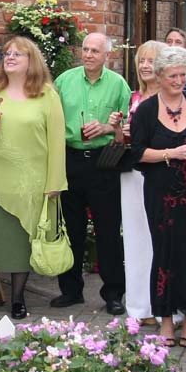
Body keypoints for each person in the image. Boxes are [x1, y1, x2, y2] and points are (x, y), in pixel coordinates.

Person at [129, 45, 186, 347]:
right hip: (161, 193)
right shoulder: (146, 110)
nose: (179, 80)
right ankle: (167, 321)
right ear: (159, 76)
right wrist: (172, 153)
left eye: (183, 75)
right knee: (165, 253)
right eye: (173, 76)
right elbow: (137, 153)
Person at [0, 36, 67, 320]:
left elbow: (57, 141)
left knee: (22, 241)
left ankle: (18, 299)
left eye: (17, 54)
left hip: (30, 184)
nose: (9, 57)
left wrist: (54, 184)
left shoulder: (47, 95)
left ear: (31, 61)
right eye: (7, 53)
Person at [51, 32, 130, 313]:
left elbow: (126, 131)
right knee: (71, 229)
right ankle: (71, 291)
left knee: (108, 229)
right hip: (70, 159)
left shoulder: (119, 85)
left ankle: (113, 294)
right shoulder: (64, 81)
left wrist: (108, 127)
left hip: (103, 162)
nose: (88, 55)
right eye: (85, 49)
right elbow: (50, 119)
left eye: (95, 51)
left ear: (107, 55)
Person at [122, 41, 163, 322]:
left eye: (151, 60)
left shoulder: (169, 98)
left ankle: (162, 306)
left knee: (157, 239)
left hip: (157, 171)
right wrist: (119, 128)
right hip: (131, 174)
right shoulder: (134, 97)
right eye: (142, 60)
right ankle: (139, 306)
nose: (145, 65)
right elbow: (126, 140)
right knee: (135, 240)